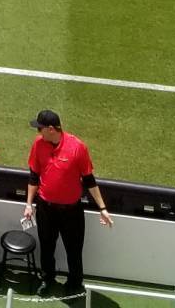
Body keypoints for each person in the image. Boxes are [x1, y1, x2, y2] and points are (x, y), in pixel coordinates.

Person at [21, 110, 110, 296]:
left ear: (51, 129)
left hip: (72, 211)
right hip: (46, 208)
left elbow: (89, 179)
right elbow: (33, 176)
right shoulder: (38, 144)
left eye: (40, 129)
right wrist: (29, 204)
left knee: (74, 250)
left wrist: (102, 208)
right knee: (46, 248)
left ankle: (75, 284)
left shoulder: (77, 147)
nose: (38, 133)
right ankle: (47, 279)